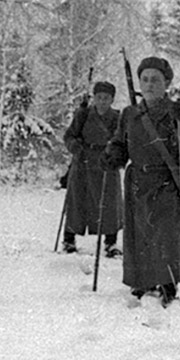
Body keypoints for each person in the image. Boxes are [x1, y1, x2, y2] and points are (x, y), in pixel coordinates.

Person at [102, 56, 180, 307]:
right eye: (145, 79)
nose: (149, 84)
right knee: (140, 234)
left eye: (155, 80)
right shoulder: (129, 113)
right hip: (138, 182)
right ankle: (142, 281)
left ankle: (168, 283)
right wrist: (113, 154)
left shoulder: (176, 109)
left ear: (167, 82)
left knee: (167, 234)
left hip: (167, 182)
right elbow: (120, 143)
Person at [62, 81, 124, 257]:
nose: (102, 101)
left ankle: (110, 243)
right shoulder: (83, 115)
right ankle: (69, 240)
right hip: (84, 162)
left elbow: (122, 140)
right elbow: (69, 136)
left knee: (110, 204)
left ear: (112, 100)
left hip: (107, 162)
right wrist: (75, 146)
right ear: (94, 98)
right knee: (77, 201)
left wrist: (115, 153)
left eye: (106, 98)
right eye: (99, 97)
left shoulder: (117, 118)